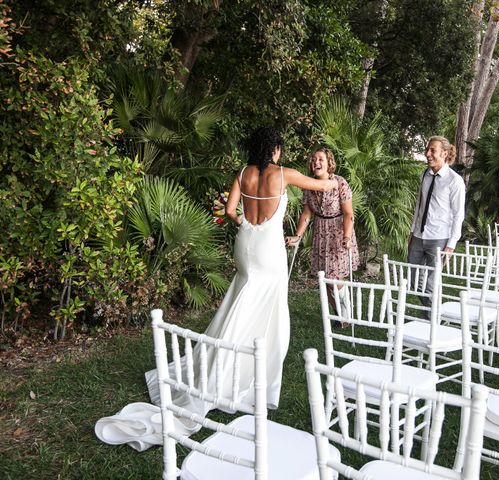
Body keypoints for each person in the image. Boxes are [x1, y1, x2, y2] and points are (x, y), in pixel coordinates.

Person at [95, 127, 337, 451]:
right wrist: (335, 179)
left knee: (241, 298)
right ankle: (239, 374)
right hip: (269, 250)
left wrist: (246, 226)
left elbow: (229, 211)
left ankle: (225, 361)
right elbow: (323, 185)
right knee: (265, 310)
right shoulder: (285, 174)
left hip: (246, 244)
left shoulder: (243, 173)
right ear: (276, 150)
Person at [286, 147, 359, 318]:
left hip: (339, 233)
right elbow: (306, 214)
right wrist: (298, 236)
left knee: (335, 279)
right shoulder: (309, 185)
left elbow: (349, 214)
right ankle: (337, 314)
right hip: (321, 232)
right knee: (325, 279)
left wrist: (347, 237)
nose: (316, 162)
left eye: (320, 159)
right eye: (313, 159)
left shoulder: (340, 183)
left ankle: (347, 311)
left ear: (329, 163)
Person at [408, 135, 465, 311]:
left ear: (445, 153)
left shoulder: (455, 181)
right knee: (412, 280)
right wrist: (412, 231)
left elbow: (458, 215)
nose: (428, 153)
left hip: (439, 239)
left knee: (431, 285)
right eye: (427, 149)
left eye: (432, 150)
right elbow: (419, 205)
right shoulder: (425, 174)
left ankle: (434, 322)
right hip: (418, 235)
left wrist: (451, 246)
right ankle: (435, 315)